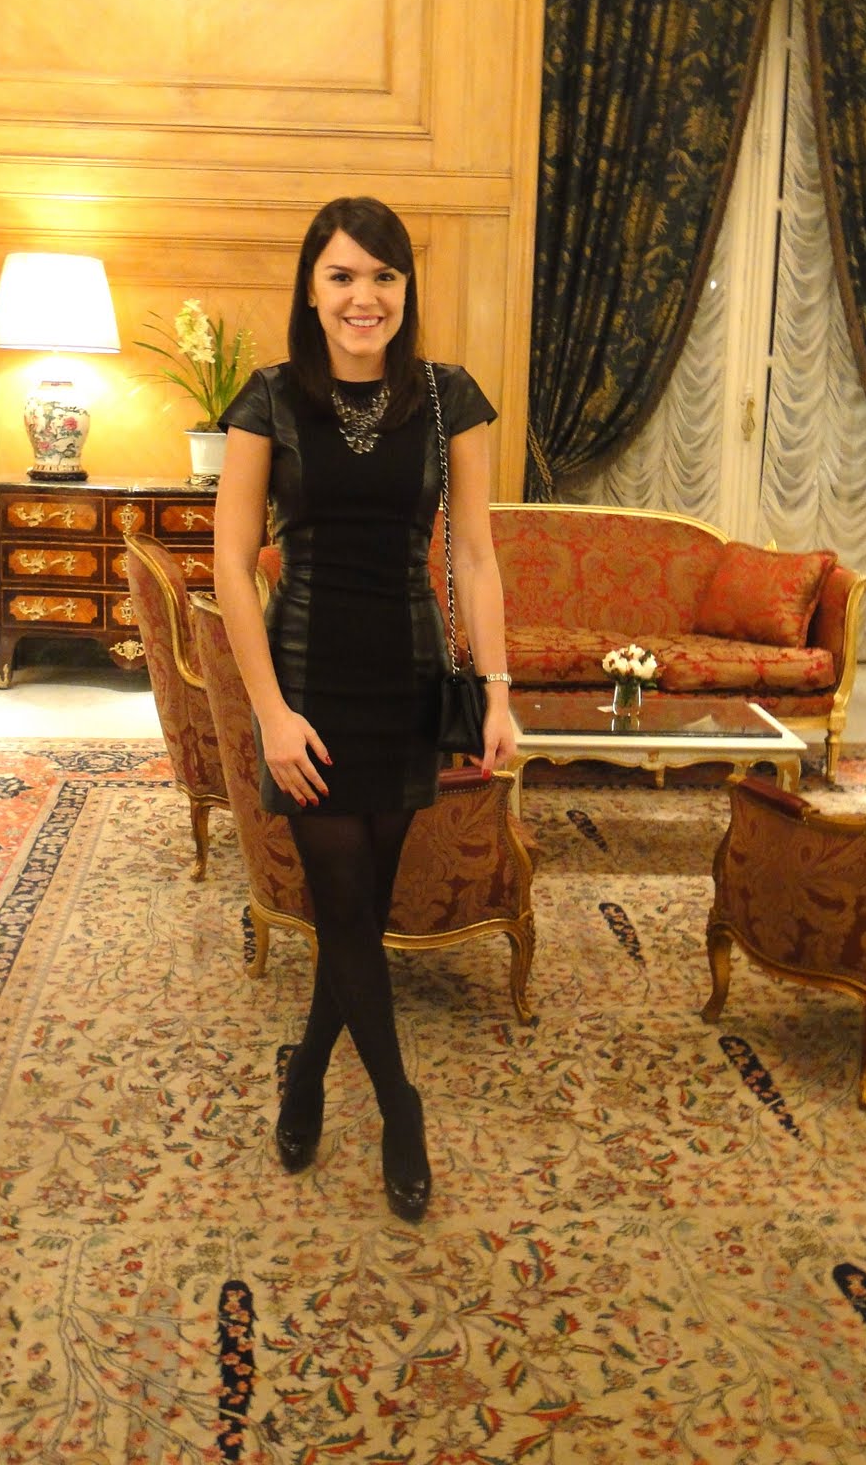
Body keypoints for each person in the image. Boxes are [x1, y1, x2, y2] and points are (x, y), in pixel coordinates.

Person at [212, 196, 515, 1222]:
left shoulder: (447, 396)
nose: (364, 297)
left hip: (408, 677)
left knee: (356, 914)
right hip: (306, 685)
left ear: (405, 289)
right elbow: (231, 564)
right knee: (344, 907)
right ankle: (400, 1107)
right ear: (311, 288)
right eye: (342, 275)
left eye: (383, 275)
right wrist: (269, 712)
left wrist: (499, 691)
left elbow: (474, 555)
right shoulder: (267, 400)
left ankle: (305, 1073)